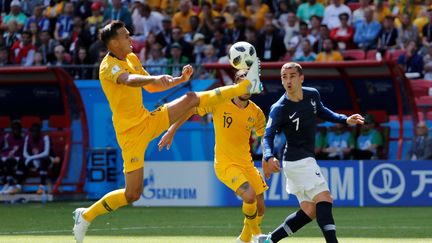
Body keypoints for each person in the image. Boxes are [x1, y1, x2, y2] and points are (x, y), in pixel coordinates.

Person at [72, 20, 262, 243]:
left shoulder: (131, 58)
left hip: (148, 120)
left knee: (191, 99)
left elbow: (152, 87)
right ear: (113, 42)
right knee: (132, 193)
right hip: (130, 134)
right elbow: (130, 80)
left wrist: (179, 80)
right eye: (125, 36)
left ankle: (241, 87)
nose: (130, 38)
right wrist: (153, 77)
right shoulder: (108, 66)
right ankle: (85, 215)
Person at [258, 62, 364, 243]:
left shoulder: (312, 95)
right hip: (298, 161)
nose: (288, 80)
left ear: (301, 78)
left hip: (300, 162)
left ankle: (269, 240)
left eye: (292, 76)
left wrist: (345, 119)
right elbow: (267, 137)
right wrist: (269, 156)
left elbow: (322, 111)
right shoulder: (279, 108)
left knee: (310, 210)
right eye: (284, 77)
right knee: (325, 198)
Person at [158, 69, 267, 243]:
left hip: (247, 164)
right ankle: (257, 235)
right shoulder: (220, 101)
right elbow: (192, 108)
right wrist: (171, 130)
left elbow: (264, 136)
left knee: (260, 208)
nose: (246, 88)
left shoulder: (256, 112)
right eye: (243, 83)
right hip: (225, 164)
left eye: (250, 83)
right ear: (235, 85)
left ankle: (244, 239)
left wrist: (267, 157)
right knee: (249, 196)